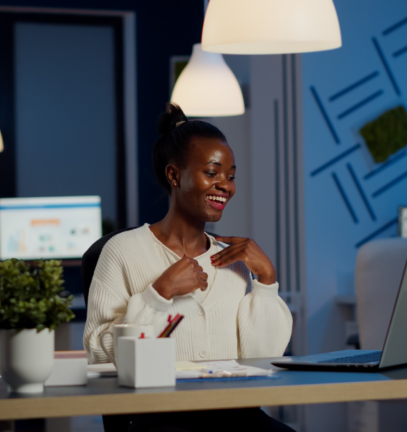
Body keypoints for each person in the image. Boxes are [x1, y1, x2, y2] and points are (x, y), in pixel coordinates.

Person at [83, 103, 294, 432]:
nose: (225, 185)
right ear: (174, 175)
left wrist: (267, 281)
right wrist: (158, 294)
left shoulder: (233, 263)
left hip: (236, 416)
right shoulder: (122, 251)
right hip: (159, 417)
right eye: (212, 173)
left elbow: (259, 361)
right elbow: (99, 354)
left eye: (231, 176)